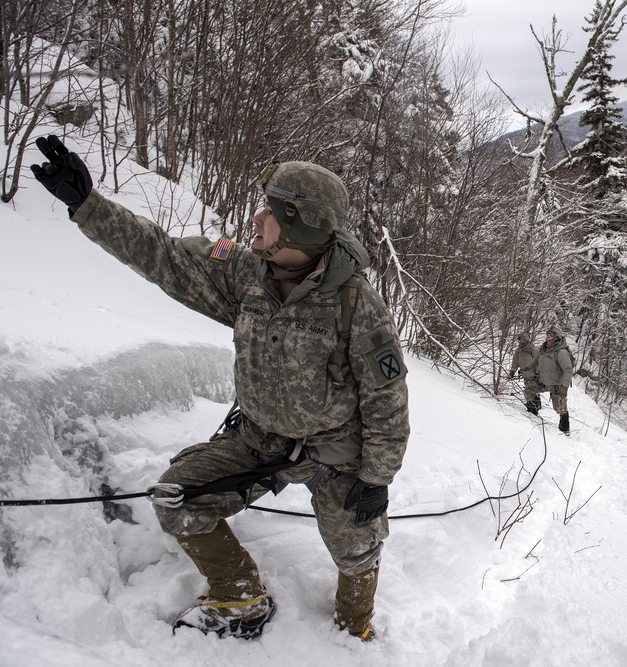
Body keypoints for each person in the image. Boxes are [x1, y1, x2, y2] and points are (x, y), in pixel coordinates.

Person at [31, 136, 409, 642]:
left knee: (357, 547)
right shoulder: (244, 271)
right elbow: (164, 256)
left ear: (301, 224)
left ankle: (354, 632)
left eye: (269, 211)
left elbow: (388, 402)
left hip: (331, 454)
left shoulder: (356, 305)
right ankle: (240, 595)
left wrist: (376, 478)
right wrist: (87, 205)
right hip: (258, 440)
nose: (255, 219)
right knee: (175, 498)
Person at [537, 324, 574, 434]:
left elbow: (568, 369)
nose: (548, 336)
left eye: (551, 335)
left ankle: (565, 428)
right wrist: (527, 368)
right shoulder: (544, 349)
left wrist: (564, 386)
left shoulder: (561, 352)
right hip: (546, 380)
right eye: (547, 334)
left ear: (556, 337)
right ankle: (533, 410)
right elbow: (537, 360)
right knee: (531, 388)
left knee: (560, 407)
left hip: (557, 384)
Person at [508, 331, 542, 415]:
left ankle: (534, 410)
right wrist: (512, 371)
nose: (520, 341)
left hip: (534, 375)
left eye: (522, 339)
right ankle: (530, 406)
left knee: (533, 390)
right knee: (528, 391)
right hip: (525, 375)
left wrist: (538, 372)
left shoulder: (533, 349)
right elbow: (515, 362)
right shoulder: (519, 351)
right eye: (519, 339)